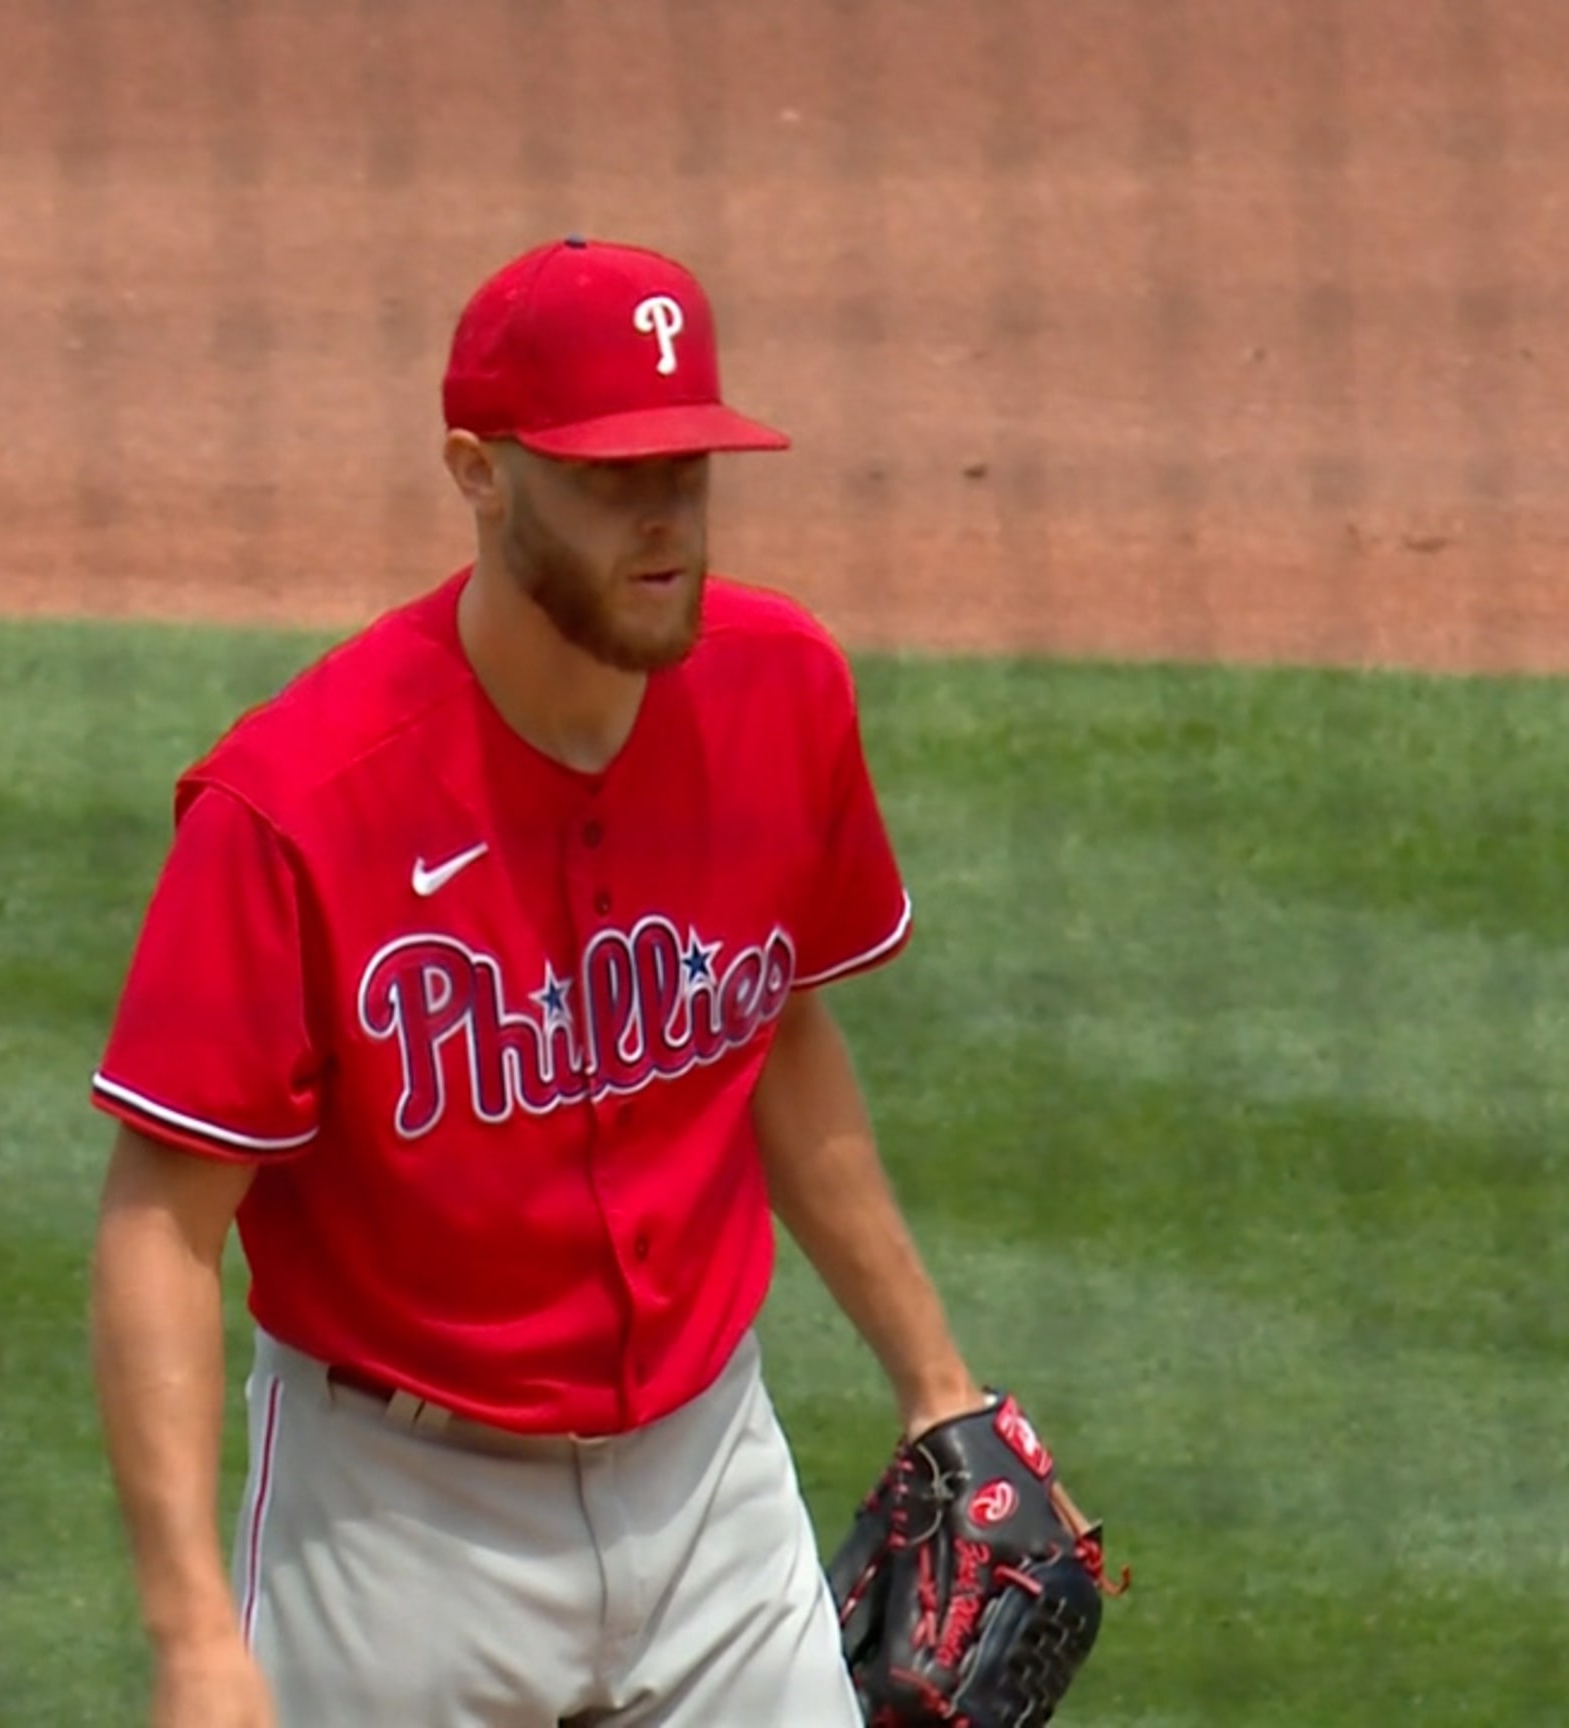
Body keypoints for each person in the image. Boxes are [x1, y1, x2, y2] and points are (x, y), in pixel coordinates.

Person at [84, 235, 989, 1727]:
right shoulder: (295, 805)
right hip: (398, 1518)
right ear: (478, 471)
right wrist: (192, 1632)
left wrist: (933, 1378)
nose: (664, 524)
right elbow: (163, 1221)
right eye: (609, 478)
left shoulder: (783, 690)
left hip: (709, 1484)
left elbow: (774, 1032)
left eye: (687, 474)